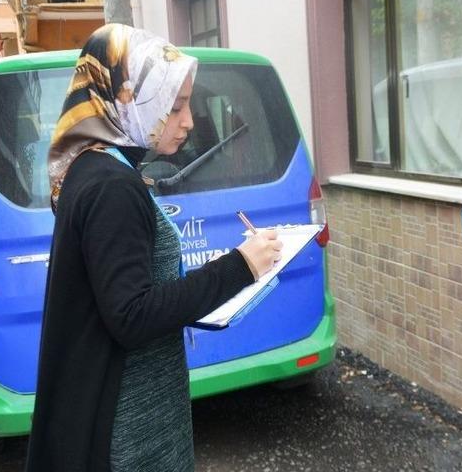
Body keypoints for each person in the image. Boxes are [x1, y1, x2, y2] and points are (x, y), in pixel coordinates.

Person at [25, 24, 282, 471]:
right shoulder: (111, 186)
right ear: (126, 97)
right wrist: (240, 266)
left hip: (125, 401)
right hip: (129, 422)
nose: (189, 121)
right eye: (175, 104)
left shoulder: (94, 167)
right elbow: (132, 316)